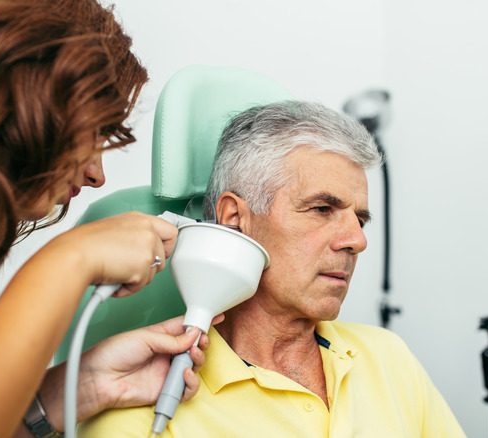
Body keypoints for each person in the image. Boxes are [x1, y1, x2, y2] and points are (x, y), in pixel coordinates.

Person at [0, 1, 219, 437]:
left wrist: (81, 387)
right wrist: (71, 258)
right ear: (40, 80)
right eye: (98, 132)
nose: (97, 175)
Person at [78, 100, 466, 437]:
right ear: (234, 219)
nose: (357, 240)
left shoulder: (387, 356)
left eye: (360, 220)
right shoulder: (144, 401)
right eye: (322, 209)